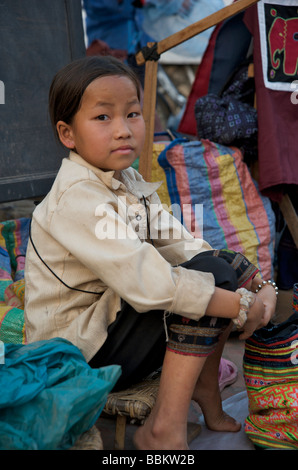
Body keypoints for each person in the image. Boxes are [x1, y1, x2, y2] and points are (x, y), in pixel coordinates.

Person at [24, 56, 277, 450]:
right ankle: (165, 427)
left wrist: (261, 284)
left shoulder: (124, 179)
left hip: (111, 327)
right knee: (207, 283)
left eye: (133, 113)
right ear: (67, 133)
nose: (124, 130)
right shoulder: (78, 198)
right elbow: (150, 284)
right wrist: (244, 305)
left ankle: (205, 389)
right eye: (103, 118)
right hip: (76, 356)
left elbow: (182, 243)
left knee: (217, 266)